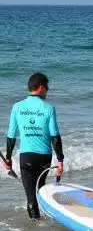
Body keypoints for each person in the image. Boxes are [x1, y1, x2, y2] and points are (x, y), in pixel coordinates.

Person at [3, 73, 64, 219]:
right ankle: (43, 224)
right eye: (47, 88)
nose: (47, 91)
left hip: (27, 157)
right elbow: (55, 137)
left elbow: (11, 135)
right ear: (41, 87)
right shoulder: (49, 108)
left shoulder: (17, 107)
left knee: (31, 198)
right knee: (40, 190)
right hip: (45, 158)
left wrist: (8, 159)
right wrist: (60, 160)